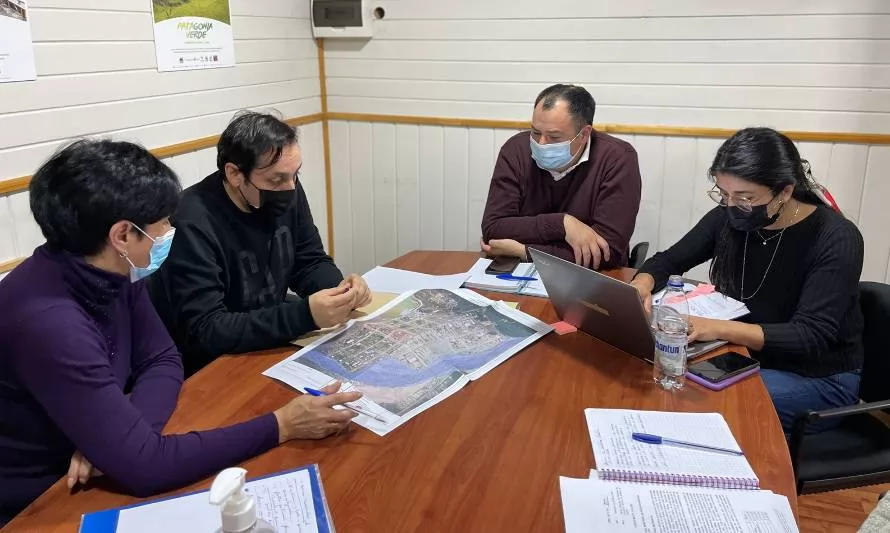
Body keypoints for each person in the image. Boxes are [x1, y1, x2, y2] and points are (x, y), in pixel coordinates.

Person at [0, 140, 361, 526]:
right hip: (42, 497)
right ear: (122, 235)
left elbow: (163, 358)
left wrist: (118, 438)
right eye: (163, 222)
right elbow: (146, 468)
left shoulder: (111, 268)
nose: (170, 230)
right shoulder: (50, 321)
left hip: (98, 461)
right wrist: (282, 425)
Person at [630, 127, 863, 435]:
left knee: (694, 402)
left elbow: (810, 336)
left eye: (744, 198)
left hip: (819, 378)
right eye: (723, 194)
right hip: (745, 356)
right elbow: (669, 260)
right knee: (654, 376)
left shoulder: (835, 238)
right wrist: (640, 286)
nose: (730, 206)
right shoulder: (729, 216)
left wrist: (711, 326)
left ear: (785, 191)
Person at [149, 111, 371, 376]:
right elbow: (206, 331)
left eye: (295, 175)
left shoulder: (285, 189)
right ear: (234, 174)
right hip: (211, 365)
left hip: (269, 338)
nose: (290, 188)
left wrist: (340, 292)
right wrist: (306, 315)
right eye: (276, 179)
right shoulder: (190, 221)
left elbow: (309, 260)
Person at [480, 84, 642, 269]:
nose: (541, 143)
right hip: (517, 274)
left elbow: (606, 253)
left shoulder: (618, 158)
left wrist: (525, 251)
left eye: (554, 137)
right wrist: (563, 224)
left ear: (584, 134)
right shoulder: (516, 149)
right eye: (536, 132)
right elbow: (493, 229)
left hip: (590, 279)